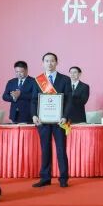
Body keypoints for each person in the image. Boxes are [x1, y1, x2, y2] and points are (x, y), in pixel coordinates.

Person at [31, 52, 74, 188]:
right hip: (42, 121)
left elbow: (69, 100)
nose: (49, 63)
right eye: (47, 61)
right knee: (45, 149)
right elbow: (34, 100)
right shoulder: (38, 80)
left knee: (61, 149)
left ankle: (63, 178)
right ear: (43, 63)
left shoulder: (65, 79)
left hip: (59, 121)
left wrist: (65, 116)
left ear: (57, 62)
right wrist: (34, 115)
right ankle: (45, 177)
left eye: (52, 61)